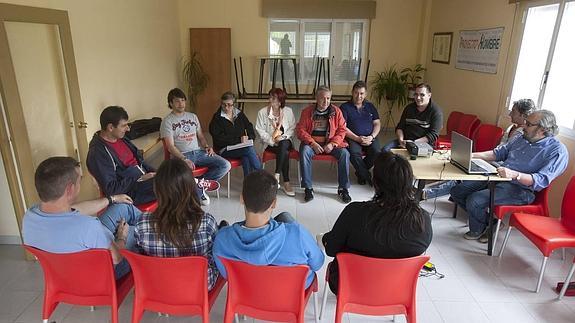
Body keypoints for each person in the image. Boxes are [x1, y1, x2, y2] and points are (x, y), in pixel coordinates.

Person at [321, 151, 432, 293]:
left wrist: (325, 239)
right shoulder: (423, 220)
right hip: (397, 290)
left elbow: (331, 249)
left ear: (376, 183)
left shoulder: (355, 213)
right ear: (409, 183)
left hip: (349, 286)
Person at [450, 110, 569, 242]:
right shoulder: (521, 138)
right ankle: (490, 222)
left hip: (521, 189)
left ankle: (478, 228)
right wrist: (469, 155)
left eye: (528, 124)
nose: (523, 127)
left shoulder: (557, 151)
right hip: (498, 176)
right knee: (457, 191)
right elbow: (498, 153)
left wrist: (514, 175)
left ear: (543, 129)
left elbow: (541, 180)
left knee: (475, 200)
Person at [22, 156, 142, 279]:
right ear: (70, 189)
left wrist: (112, 199)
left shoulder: (30, 217)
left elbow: (75, 209)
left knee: (123, 207)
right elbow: (117, 258)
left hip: (65, 274)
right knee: (141, 232)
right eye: (79, 181)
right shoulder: (89, 226)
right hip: (102, 278)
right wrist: (122, 236)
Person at [212, 170, 324, 288]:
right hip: (290, 297)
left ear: (241, 199)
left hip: (245, 296)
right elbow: (317, 264)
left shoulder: (222, 239)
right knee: (286, 217)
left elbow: (225, 274)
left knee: (284, 217)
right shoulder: (298, 235)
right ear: (274, 203)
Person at [134, 158, 224, 290]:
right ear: (190, 188)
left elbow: (141, 253)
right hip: (199, 286)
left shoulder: (142, 223)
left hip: (158, 286)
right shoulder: (206, 222)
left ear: (158, 190)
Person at [423, 98, 536, 200]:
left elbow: (506, 157)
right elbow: (500, 150)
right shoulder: (512, 128)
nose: (510, 114)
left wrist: (485, 159)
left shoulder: (522, 135)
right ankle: (429, 191)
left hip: (500, 167)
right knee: (462, 168)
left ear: (523, 116)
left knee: (464, 177)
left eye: (514, 112)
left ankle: (428, 194)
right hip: (495, 160)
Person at [87, 106, 156, 205]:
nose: (128, 129)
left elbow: (140, 162)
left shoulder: (121, 139)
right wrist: (139, 178)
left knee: (176, 171)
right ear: (110, 127)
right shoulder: (98, 153)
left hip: (142, 179)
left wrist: (158, 172)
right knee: (174, 183)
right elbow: (111, 189)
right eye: (124, 126)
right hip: (129, 192)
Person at [296, 85, 351, 203]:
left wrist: (333, 143)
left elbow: (342, 130)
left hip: (330, 144)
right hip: (312, 144)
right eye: (323, 98)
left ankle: (343, 188)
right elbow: (300, 130)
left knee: (345, 154)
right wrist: (312, 143)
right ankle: (308, 188)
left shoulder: (336, 111)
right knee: (304, 151)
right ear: (316, 98)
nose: (326, 101)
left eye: (328, 98)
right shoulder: (307, 111)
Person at [161, 88, 230, 180]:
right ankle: (197, 186)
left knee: (225, 165)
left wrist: (206, 147)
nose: (181, 104)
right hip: (181, 155)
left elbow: (201, 136)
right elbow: (170, 147)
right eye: (177, 101)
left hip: (199, 153)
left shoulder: (193, 116)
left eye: (183, 100)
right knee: (183, 175)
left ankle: (199, 185)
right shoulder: (167, 121)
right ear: (171, 103)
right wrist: (184, 159)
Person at [209, 91, 262, 177]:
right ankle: (263, 176)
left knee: (246, 157)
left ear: (234, 104)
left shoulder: (239, 114)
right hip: (224, 149)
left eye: (229, 105)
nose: (226, 107)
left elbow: (249, 126)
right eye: (223, 104)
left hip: (240, 147)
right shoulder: (217, 118)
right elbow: (219, 139)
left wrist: (249, 137)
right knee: (248, 149)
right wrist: (238, 140)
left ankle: (248, 187)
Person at [255, 88, 296, 196]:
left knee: (283, 143)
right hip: (271, 144)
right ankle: (286, 182)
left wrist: (283, 137)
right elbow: (260, 131)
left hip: (286, 141)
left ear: (280, 100)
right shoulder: (262, 112)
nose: (270, 99)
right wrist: (272, 140)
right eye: (270, 97)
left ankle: (277, 175)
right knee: (285, 152)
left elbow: (292, 128)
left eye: (273, 98)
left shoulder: (288, 111)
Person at [340, 80, 381, 186]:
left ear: (365, 94)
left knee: (377, 152)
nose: (359, 96)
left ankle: (360, 173)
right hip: (353, 137)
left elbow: (377, 123)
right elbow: (342, 127)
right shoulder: (345, 107)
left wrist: (371, 137)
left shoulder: (370, 106)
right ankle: (366, 176)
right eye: (356, 93)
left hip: (370, 137)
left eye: (362, 93)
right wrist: (357, 138)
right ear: (352, 92)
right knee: (354, 153)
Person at [382, 83, 443, 151]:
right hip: (404, 141)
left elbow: (433, 135)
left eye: (422, 95)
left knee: (410, 159)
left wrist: (413, 143)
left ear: (429, 95)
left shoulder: (436, 111)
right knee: (384, 151)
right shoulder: (409, 108)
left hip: (423, 144)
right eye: (416, 94)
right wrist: (401, 140)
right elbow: (400, 127)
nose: (418, 98)